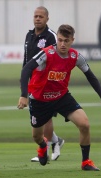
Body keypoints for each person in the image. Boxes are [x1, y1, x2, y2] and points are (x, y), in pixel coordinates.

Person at [18, 24, 101, 169]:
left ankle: (86, 162)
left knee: (84, 124)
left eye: (66, 41)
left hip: (61, 97)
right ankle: (43, 146)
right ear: (57, 38)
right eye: (60, 40)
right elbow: (26, 69)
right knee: (37, 137)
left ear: (72, 40)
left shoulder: (75, 56)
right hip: (40, 100)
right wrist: (23, 95)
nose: (62, 44)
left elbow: (90, 76)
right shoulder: (46, 53)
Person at [23, 6, 65, 162]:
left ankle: (49, 147)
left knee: (45, 117)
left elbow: (58, 59)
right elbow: (26, 60)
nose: (38, 19)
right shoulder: (29, 35)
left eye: (41, 16)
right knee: (38, 117)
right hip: (33, 83)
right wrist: (25, 80)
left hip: (48, 83)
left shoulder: (51, 36)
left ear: (47, 18)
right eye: (36, 16)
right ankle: (55, 141)